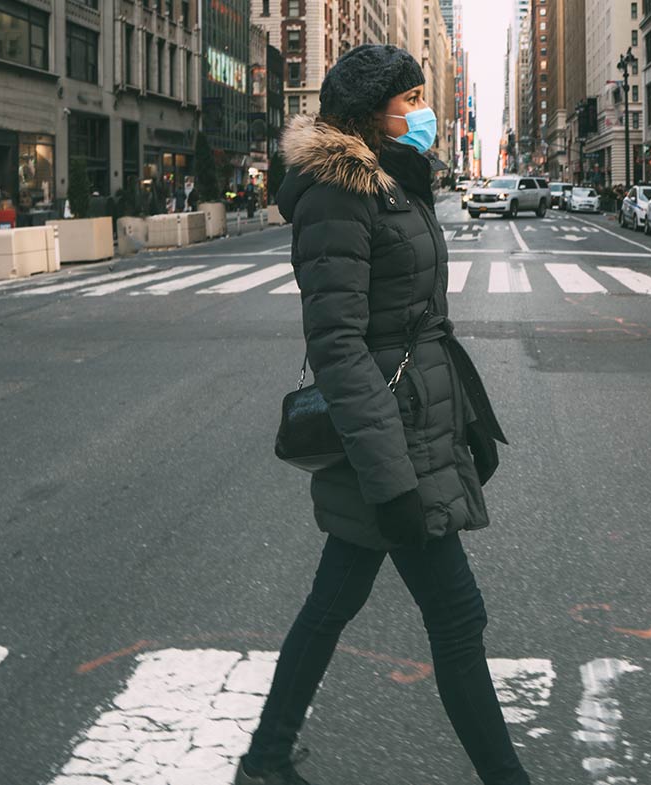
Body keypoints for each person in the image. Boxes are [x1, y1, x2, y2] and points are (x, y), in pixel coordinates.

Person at [239, 43, 520, 785]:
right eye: (409, 100)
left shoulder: (394, 182)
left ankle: (265, 759)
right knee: (458, 619)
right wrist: (394, 479)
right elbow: (338, 345)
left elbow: (418, 318)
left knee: (331, 602)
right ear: (370, 112)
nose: (421, 112)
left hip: (412, 427)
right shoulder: (339, 193)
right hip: (390, 445)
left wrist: (462, 416)